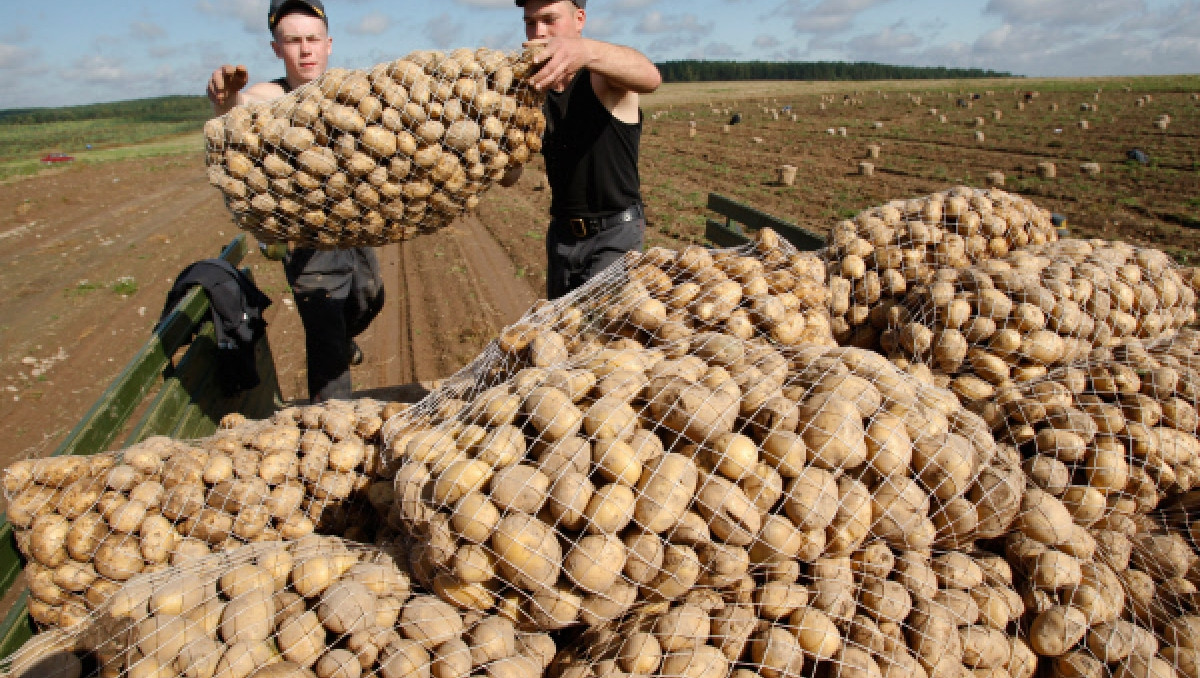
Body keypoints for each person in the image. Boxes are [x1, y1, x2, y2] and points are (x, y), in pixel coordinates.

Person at [206, 0, 385, 403]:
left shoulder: (348, 89)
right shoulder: (273, 96)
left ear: (328, 44)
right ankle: (331, 422)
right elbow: (241, 106)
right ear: (276, 49)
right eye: (292, 41)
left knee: (371, 299)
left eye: (312, 39)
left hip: (354, 229)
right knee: (326, 345)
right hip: (309, 245)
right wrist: (225, 100)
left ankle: (345, 338)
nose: (304, 49)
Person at [504, 0, 662, 299]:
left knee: (598, 337)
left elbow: (650, 77)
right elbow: (510, 178)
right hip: (562, 239)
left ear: (579, 19)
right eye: (530, 22)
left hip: (614, 237)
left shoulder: (603, 78)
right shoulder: (535, 93)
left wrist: (586, 51)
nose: (538, 33)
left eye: (550, 20)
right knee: (563, 337)